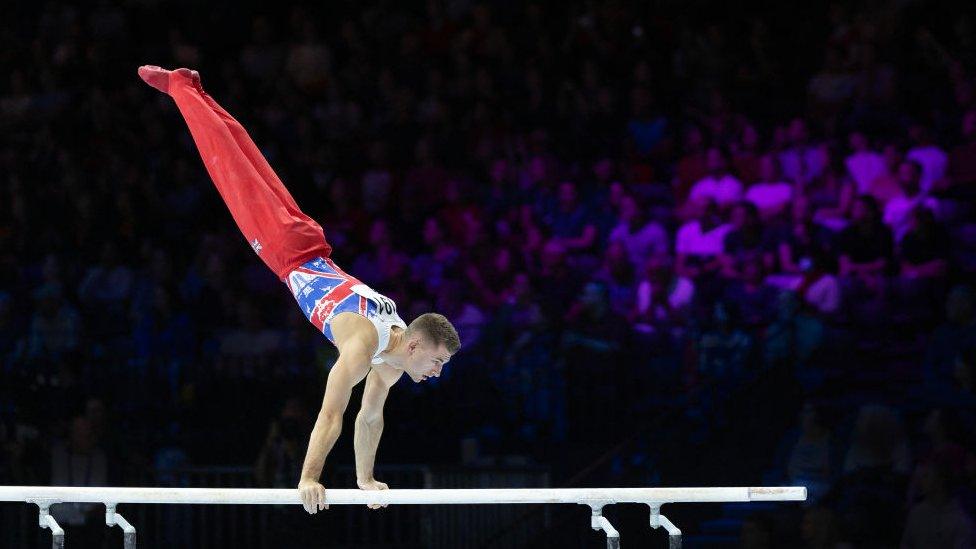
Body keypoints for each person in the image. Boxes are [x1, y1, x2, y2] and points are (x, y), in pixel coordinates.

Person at [138, 66, 461, 514]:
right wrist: (309, 476)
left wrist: (366, 479)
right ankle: (180, 89)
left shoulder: (391, 360)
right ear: (418, 344)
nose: (437, 371)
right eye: (438, 360)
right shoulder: (364, 344)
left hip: (309, 243)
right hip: (288, 251)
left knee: (246, 156)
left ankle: (192, 86)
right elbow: (332, 414)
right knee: (229, 166)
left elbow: (369, 417)